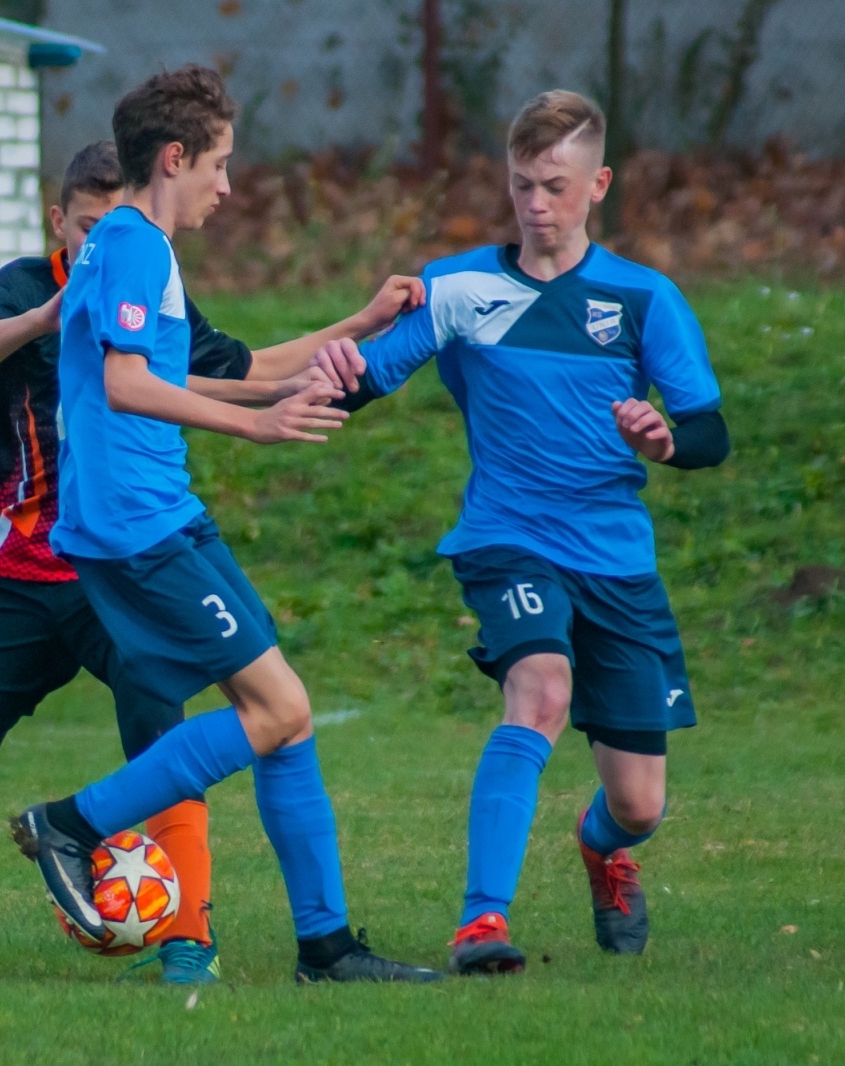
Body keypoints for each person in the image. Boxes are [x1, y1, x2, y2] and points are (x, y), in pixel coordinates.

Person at [0, 140, 422, 984]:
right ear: (62, 222)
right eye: (85, 228)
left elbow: (241, 369)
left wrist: (360, 326)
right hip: (22, 576)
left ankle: (187, 940)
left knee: (165, 742)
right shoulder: (33, 284)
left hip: (112, 571)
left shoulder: (149, 278)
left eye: (108, 227)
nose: (97, 244)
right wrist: (48, 316)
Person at [10, 64, 440, 984]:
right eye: (221, 164)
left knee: (283, 713)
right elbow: (127, 387)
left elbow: (181, 371)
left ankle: (327, 946)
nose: (228, 185)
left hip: (162, 517)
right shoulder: (131, 247)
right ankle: (70, 826)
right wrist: (260, 422)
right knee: (278, 707)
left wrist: (338, 341)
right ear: (175, 158)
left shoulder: (128, 248)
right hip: (139, 527)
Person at [309, 89, 731, 973]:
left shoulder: (644, 300)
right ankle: (481, 923)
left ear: (598, 184)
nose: (537, 205)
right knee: (539, 691)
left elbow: (708, 432)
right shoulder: (460, 286)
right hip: (509, 537)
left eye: (555, 185)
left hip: (615, 560)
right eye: (521, 185)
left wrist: (664, 438)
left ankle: (599, 846)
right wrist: (303, 375)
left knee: (642, 804)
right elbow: (364, 379)